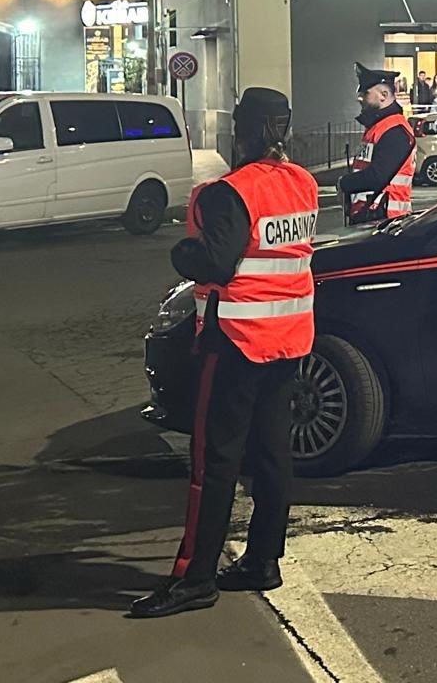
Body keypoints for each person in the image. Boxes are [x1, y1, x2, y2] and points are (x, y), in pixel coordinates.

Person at [129, 87, 319, 619]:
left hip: (236, 343)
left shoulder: (229, 192)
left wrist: (181, 250)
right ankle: (263, 561)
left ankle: (195, 578)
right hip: (289, 341)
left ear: (244, 129)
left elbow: (214, 261)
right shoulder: (302, 183)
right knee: (273, 456)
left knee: (213, 463)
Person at [337, 62, 416, 225]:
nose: (359, 98)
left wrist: (344, 183)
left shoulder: (395, 130)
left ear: (384, 95)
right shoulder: (381, 127)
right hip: (375, 217)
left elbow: (377, 176)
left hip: (386, 222)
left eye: (366, 93)